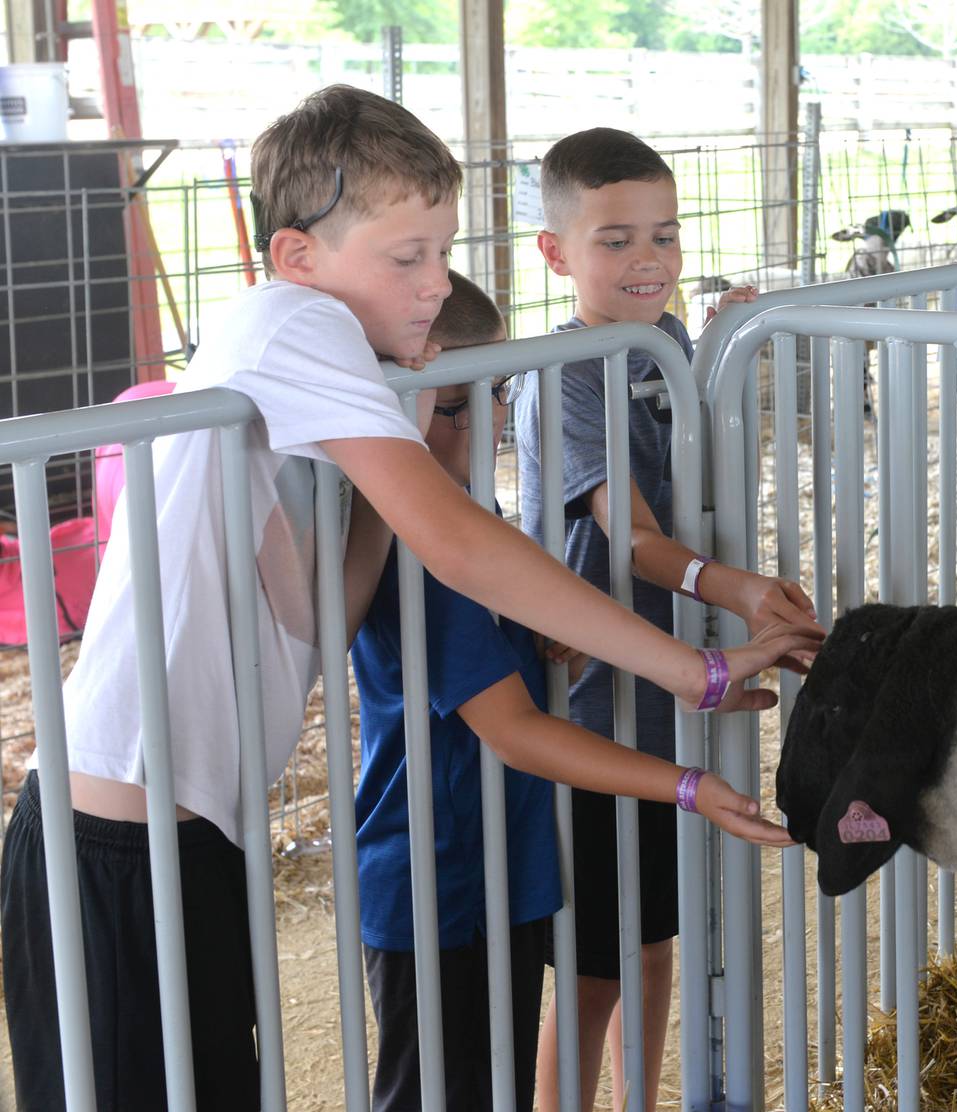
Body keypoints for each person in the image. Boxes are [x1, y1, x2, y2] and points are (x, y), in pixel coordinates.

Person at [0, 88, 820, 1112]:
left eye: (442, 250)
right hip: (116, 834)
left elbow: (330, 615)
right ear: (299, 256)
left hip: (185, 827)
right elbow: (463, 542)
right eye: (407, 257)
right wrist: (690, 667)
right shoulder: (287, 320)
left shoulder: (314, 372)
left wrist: (395, 411)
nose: (438, 283)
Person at [351, 274, 793, 1112]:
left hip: (502, 872)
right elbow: (512, 730)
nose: (484, 424)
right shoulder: (426, 550)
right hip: (438, 887)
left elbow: (525, 661)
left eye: (495, 394)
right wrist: (689, 785)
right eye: (454, 407)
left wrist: (557, 648)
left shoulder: (478, 521)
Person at [514, 127, 823, 1112]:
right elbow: (631, 536)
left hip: (663, 703)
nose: (648, 260)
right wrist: (732, 589)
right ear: (555, 252)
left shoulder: (669, 353)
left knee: (652, 944)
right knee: (596, 963)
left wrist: (729, 340)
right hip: (597, 702)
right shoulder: (568, 372)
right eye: (615, 240)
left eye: (665, 234)